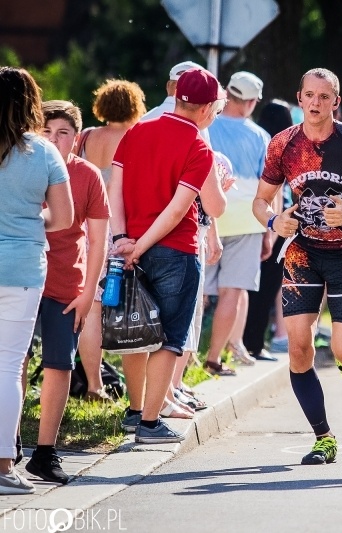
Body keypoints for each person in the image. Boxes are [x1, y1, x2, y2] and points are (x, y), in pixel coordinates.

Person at [253, 68, 342, 465]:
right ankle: (323, 438)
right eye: (310, 95)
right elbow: (260, 201)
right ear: (299, 98)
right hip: (303, 252)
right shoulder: (283, 144)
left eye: (324, 96)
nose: (316, 103)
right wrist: (273, 221)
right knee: (299, 348)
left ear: (336, 101)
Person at [108, 68, 227, 444]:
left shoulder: (136, 131)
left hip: (130, 246)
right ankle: (149, 423)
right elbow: (189, 209)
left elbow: (115, 190)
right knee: (169, 338)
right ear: (206, 108)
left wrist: (123, 240)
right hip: (176, 251)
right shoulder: (199, 146)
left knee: (135, 328)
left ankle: (133, 411)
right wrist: (221, 186)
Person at [22, 101, 109, 484]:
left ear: (77, 138)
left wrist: (89, 292)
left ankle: (45, 452)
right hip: (22, 278)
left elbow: (98, 239)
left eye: (63, 133)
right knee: (16, 362)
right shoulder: (20, 166)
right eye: (47, 132)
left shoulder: (87, 175)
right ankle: (10, 443)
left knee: (60, 364)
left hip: (66, 284)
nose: (55, 140)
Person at [0, 67, 74, 495]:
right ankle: (3, 466)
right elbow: (63, 217)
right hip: (23, 269)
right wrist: (30, 220)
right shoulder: (44, 152)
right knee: (9, 366)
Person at [75, 78, 146, 402]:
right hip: (118, 229)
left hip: (85, 228)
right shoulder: (135, 137)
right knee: (129, 302)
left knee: (91, 306)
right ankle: (138, 388)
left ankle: (94, 384)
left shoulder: (86, 136)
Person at [205, 71, 277, 374]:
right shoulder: (261, 137)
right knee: (232, 291)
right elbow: (270, 186)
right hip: (248, 221)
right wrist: (269, 230)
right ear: (249, 102)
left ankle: (182, 360)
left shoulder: (207, 126)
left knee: (198, 293)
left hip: (209, 216)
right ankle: (214, 358)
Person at [243, 100, 295, 357]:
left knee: (247, 286)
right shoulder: (282, 148)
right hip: (276, 224)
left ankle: (244, 341)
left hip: (248, 219)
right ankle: (254, 343)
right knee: (266, 287)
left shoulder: (255, 141)